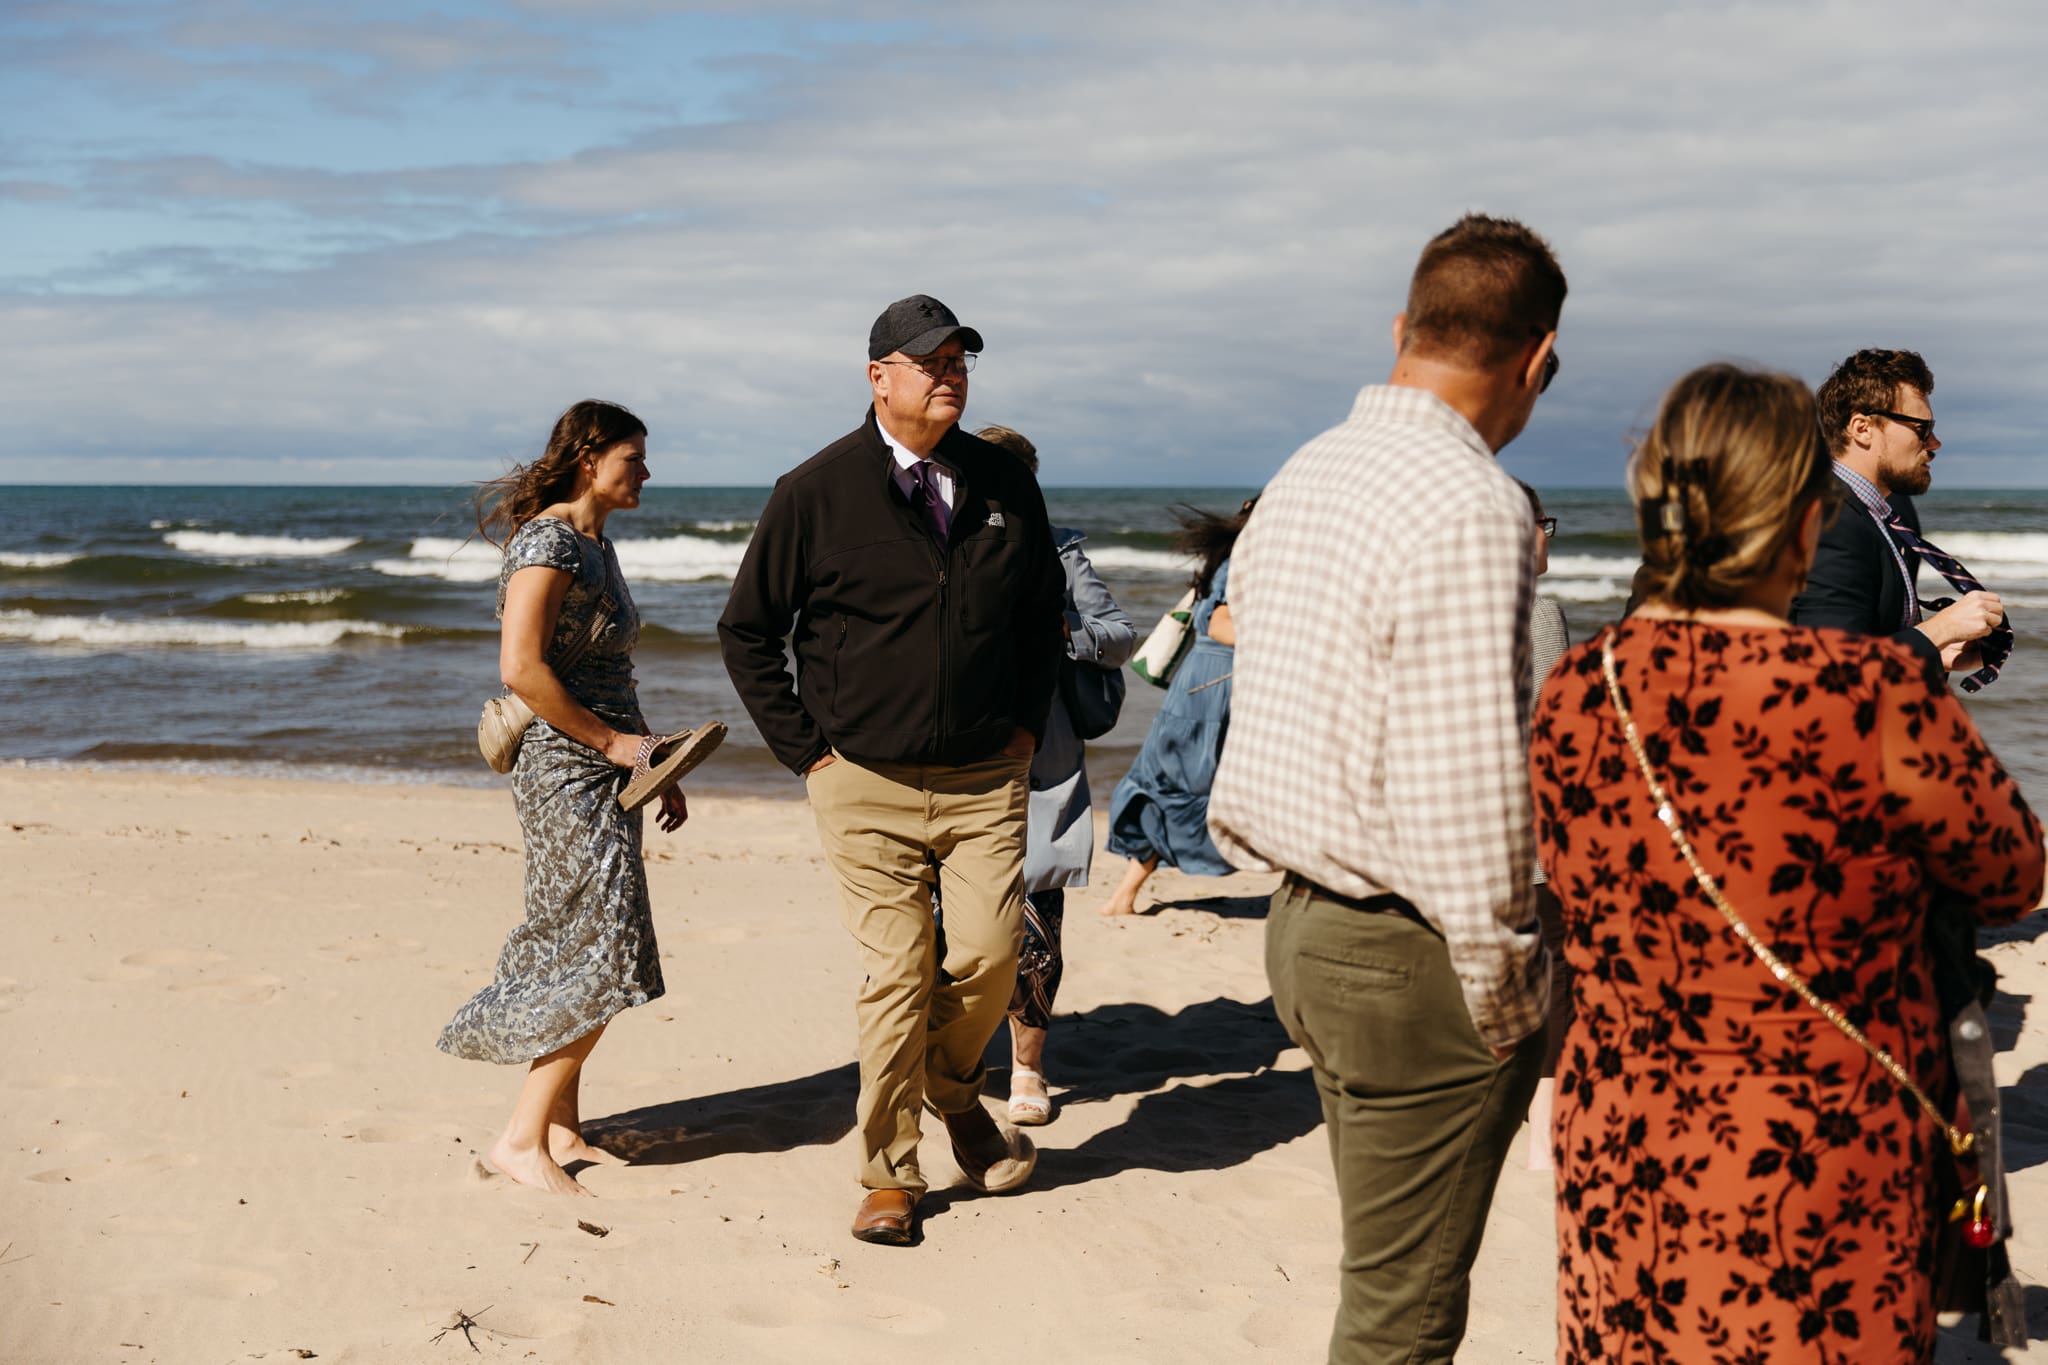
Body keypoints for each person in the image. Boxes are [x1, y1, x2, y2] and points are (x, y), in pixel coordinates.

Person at [1531, 363, 2043, 1363]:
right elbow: (2009, 872)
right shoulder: (1876, 689)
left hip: (1621, 1125)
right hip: (1817, 1139)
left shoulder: (1575, 686)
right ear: (1800, 519)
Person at [1207, 212, 1563, 1364]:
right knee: (1402, 1313)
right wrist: (1513, 996)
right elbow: (1465, 797)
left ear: (1401, 328)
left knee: (1382, 1277)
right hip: (1407, 955)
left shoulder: (1306, 470)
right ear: (1536, 360)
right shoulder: (1471, 503)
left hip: (1302, 926)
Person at [717, 295, 1064, 1247]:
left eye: (960, 360)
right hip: (859, 778)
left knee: (992, 959)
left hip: (985, 777)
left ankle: (954, 1089)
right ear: (880, 377)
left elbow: (1042, 617)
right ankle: (890, 1173)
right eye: (929, 360)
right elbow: (747, 629)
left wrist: (1026, 726)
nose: (949, 373)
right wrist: (809, 754)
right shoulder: (815, 490)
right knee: (898, 972)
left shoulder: (1005, 483)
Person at [439, 399, 723, 1197]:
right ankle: (521, 1139)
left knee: (579, 931)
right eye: (635, 456)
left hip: (605, 763)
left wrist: (651, 763)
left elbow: (608, 675)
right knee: (607, 944)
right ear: (591, 456)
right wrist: (612, 745)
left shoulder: (596, 542)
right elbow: (521, 668)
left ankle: (563, 1127)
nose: (647, 472)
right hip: (562, 766)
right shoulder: (550, 539)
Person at [976, 424, 1137, 1125]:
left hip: (1043, 758)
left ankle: (1028, 1068)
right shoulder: (939, 539)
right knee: (953, 926)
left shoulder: (1061, 545)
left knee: (1038, 919)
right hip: (953, 753)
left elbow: (1119, 632)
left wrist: (1065, 635)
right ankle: (954, 1054)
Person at [1790, 348, 2007, 680]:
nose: (1934, 443)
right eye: (1921, 428)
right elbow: (1832, 672)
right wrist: (1938, 629)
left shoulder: (1873, 514)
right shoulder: (1832, 522)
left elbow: (1865, 639)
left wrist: (1935, 652)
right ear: (1862, 428)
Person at [1098, 499, 1251, 917]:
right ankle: (1123, 895)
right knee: (1179, 785)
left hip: (1204, 685)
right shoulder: (1244, 558)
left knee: (1170, 782)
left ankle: (1123, 895)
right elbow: (1215, 622)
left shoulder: (1236, 558)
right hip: (1214, 688)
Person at [1515, 480, 1571, 1173]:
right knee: (1557, 970)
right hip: (1533, 830)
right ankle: (1543, 1129)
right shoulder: (1540, 609)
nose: (1548, 536)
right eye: (1541, 524)